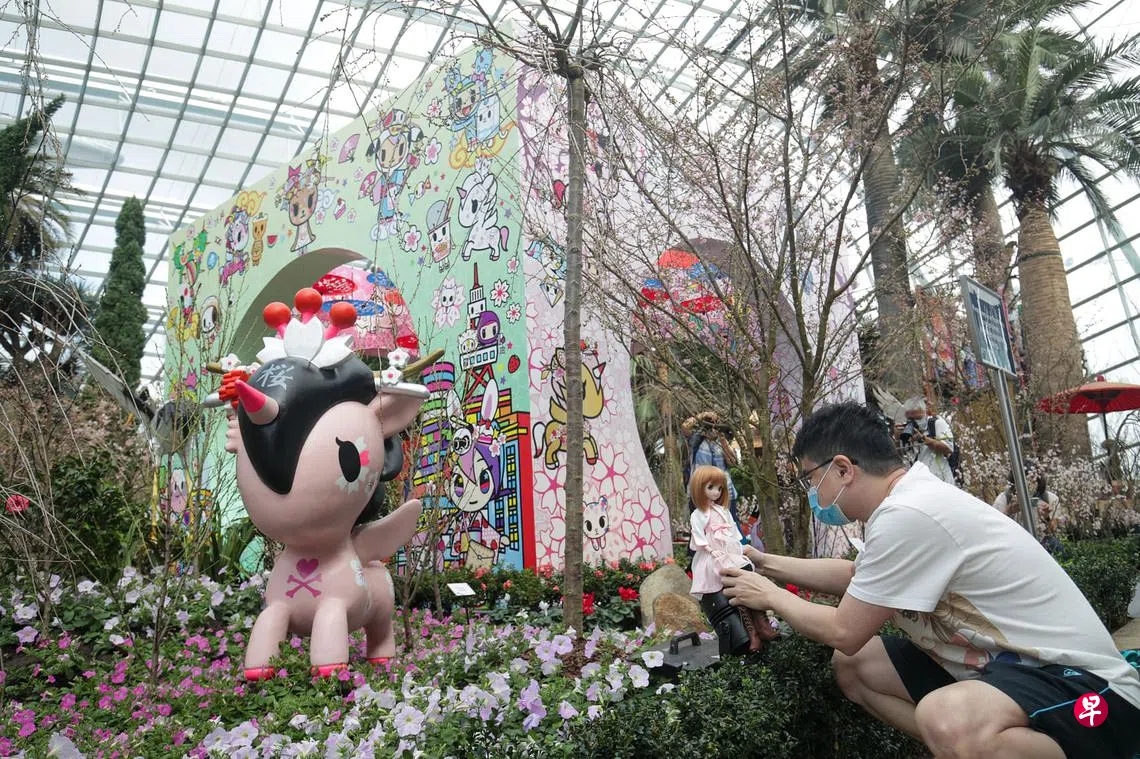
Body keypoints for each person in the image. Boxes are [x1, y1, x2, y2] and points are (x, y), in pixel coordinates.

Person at [720, 402, 1140, 759]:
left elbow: (845, 631)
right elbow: (855, 577)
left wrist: (770, 596)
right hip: (1014, 675)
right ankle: (966, 749)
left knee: (945, 717)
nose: (812, 493)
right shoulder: (906, 504)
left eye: (811, 479)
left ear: (843, 469)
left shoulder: (909, 514)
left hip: (1089, 692)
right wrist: (764, 563)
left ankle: (975, 743)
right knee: (857, 667)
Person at [688, 465, 775, 652]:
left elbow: (733, 531)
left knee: (746, 578)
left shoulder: (722, 510)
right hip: (713, 556)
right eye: (711, 487)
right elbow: (698, 536)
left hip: (728, 551)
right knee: (734, 589)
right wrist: (710, 549)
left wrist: (739, 547)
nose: (716, 492)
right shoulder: (699, 514)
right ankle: (751, 632)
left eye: (720, 488)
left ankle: (762, 624)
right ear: (699, 488)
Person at [992, 462, 1065, 553]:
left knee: (1054, 544)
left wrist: (1047, 517)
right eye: (1023, 482)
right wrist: (1008, 511)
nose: (1028, 486)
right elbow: (994, 529)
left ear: (1038, 482)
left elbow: (1054, 531)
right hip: (1013, 544)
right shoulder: (1004, 499)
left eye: (1033, 481)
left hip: (1042, 544)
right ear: (1014, 483)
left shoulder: (1050, 498)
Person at [899, 396, 956, 485]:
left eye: (918, 418)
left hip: (940, 480)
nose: (914, 422)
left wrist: (923, 438)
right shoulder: (906, 431)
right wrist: (898, 437)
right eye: (910, 419)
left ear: (925, 412)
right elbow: (902, 456)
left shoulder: (936, 424)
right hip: (918, 482)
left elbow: (948, 449)